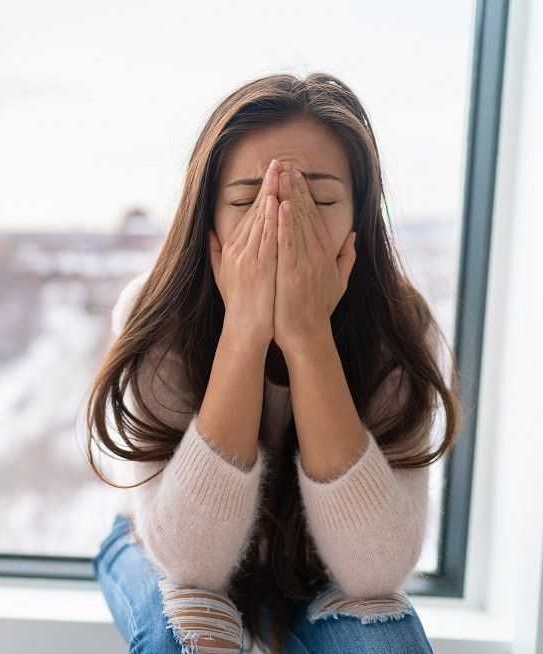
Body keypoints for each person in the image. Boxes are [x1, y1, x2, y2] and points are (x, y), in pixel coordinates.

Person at [84, 71, 462, 653]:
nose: (283, 222)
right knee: (187, 632)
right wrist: (245, 328)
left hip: (316, 563)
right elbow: (192, 563)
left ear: (361, 216)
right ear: (206, 220)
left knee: (386, 640)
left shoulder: (401, 325)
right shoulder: (156, 313)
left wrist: (310, 335)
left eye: (320, 200)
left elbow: (374, 572)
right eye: (245, 202)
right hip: (157, 541)